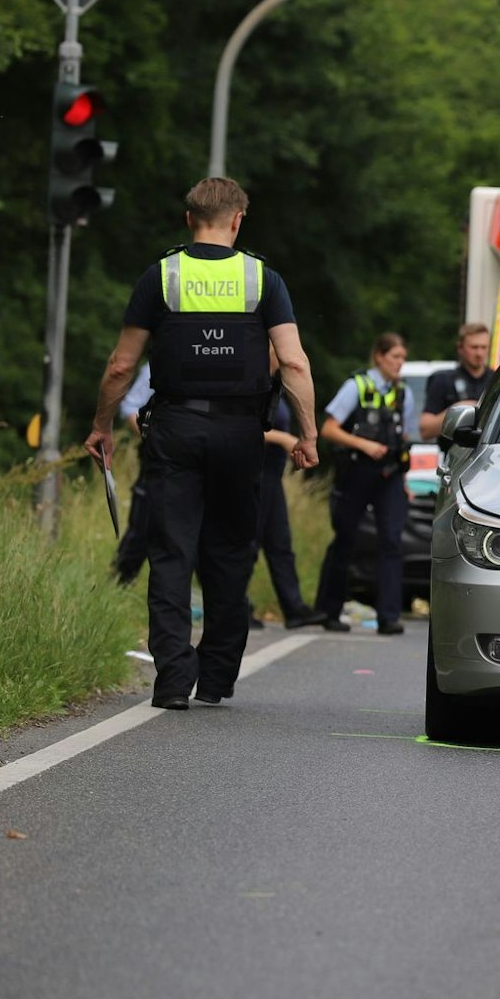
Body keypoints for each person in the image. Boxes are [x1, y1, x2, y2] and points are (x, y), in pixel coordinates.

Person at [84, 177, 319, 710]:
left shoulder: (160, 276)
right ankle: (214, 679)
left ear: (189, 220)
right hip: (242, 435)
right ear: (238, 220)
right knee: (231, 553)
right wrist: (306, 435)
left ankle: (171, 682)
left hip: (174, 430)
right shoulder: (264, 279)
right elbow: (294, 361)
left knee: (171, 554)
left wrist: (101, 426)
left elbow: (122, 365)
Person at [309, 333, 411, 635]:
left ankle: (388, 616)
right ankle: (328, 611)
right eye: (395, 357)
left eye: (403, 358)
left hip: (390, 474)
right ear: (379, 357)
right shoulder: (357, 386)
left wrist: (403, 478)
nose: (399, 364)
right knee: (346, 538)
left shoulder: (403, 393)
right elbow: (328, 429)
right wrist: (363, 445)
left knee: (392, 541)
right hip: (357, 469)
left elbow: (403, 435)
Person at [254, 349, 320, 630]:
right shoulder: (251, 382)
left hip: (272, 475)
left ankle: (293, 607)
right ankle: (234, 606)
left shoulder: (275, 383)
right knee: (248, 542)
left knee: (280, 544)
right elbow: (237, 426)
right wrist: (283, 438)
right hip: (253, 474)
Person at [109, 362, 155, 586]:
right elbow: (131, 408)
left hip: (200, 458)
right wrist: (155, 441)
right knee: (143, 523)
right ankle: (119, 584)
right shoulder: (158, 362)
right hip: (159, 457)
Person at [420, 322, 493, 440]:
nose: (479, 353)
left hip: (486, 453)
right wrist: (458, 410)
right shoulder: (443, 380)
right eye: (474, 347)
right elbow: (425, 430)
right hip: (453, 455)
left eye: (484, 347)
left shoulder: (498, 380)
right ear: (460, 348)